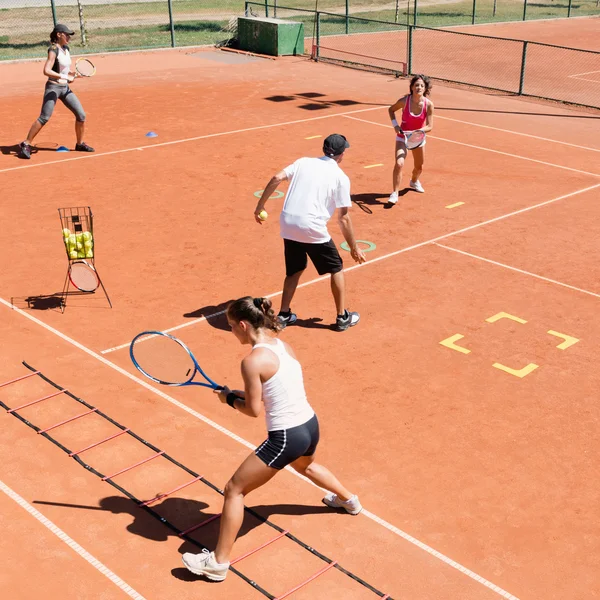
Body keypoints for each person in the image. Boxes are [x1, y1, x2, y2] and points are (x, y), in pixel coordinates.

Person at [182, 296, 362, 581]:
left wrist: (228, 401)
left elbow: (254, 410)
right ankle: (349, 501)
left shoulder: (251, 361)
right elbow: (275, 391)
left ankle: (218, 563)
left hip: (286, 436)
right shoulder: (282, 345)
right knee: (307, 466)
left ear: (243, 325)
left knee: (234, 490)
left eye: (230, 326)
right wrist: (232, 393)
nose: (230, 331)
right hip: (309, 425)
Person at [254, 134, 366, 332]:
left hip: (288, 223)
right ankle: (342, 317)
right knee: (336, 268)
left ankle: (284, 314)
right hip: (311, 227)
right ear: (341, 154)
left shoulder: (302, 162)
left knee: (295, 269)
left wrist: (260, 206)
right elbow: (343, 218)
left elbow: (276, 178)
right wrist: (354, 247)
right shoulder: (341, 177)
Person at [18, 23, 94, 160]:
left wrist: (71, 74)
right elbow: (46, 70)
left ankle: (79, 144)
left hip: (65, 89)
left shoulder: (66, 48)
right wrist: (65, 77)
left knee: (81, 115)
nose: (69, 38)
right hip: (53, 88)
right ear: (59, 35)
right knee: (44, 117)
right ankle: (25, 144)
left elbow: (62, 69)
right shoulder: (53, 49)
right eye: (67, 35)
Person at [387, 74, 434, 203]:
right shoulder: (404, 101)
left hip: (418, 139)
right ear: (412, 87)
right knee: (399, 163)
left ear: (425, 89)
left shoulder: (428, 105)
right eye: (416, 85)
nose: (419, 87)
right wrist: (395, 125)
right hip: (403, 137)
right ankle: (395, 193)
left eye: (422, 86)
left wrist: (417, 131)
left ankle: (413, 182)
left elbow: (430, 126)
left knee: (419, 167)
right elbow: (391, 110)